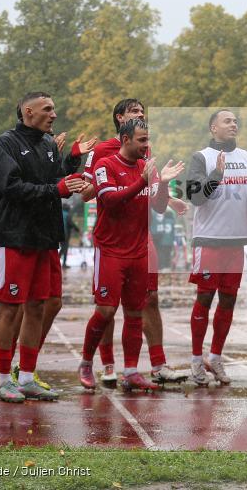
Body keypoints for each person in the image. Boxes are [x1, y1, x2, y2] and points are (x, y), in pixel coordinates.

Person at [0, 91, 92, 403]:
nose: (54, 114)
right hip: (14, 236)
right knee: (10, 309)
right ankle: (4, 379)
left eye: (54, 108)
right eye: (48, 108)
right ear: (28, 111)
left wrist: (73, 164)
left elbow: (56, 182)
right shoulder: (5, 143)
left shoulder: (48, 144)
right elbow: (11, 187)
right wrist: (56, 188)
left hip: (45, 237)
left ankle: (26, 378)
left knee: (37, 306)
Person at [81, 98, 188, 387]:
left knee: (140, 306)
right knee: (106, 309)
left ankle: (136, 370)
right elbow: (102, 198)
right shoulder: (103, 158)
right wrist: (138, 182)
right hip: (111, 246)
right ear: (123, 129)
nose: (146, 145)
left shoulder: (145, 160)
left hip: (139, 244)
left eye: (148, 139)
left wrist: (163, 186)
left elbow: (157, 204)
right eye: (142, 139)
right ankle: (96, 363)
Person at [185, 110, 247, 385]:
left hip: (236, 241)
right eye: (227, 121)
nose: (233, 124)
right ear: (213, 127)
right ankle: (196, 359)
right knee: (205, 299)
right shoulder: (201, 158)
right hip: (208, 240)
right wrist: (217, 174)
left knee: (228, 300)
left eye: (235, 121)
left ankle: (215, 357)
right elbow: (196, 197)